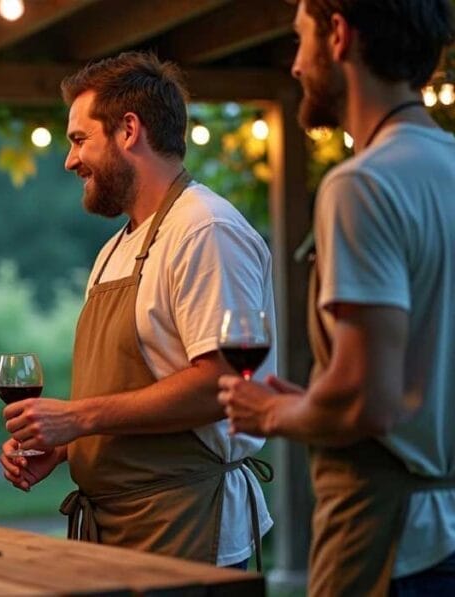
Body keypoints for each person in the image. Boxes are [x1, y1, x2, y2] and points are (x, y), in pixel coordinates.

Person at [0, 52, 275, 570]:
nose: (69, 160)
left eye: (79, 139)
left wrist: (77, 417)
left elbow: (222, 383)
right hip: (115, 534)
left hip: (186, 527)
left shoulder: (205, 229)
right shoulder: (115, 248)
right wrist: (66, 445)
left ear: (129, 130)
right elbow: (130, 393)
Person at [218, 0, 455, 593]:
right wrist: (320, 399)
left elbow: (368, 403)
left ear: (340, 36)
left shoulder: (362, 184)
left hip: (387, 543)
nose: (295, 66)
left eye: (301, 41)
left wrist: (270, 412)